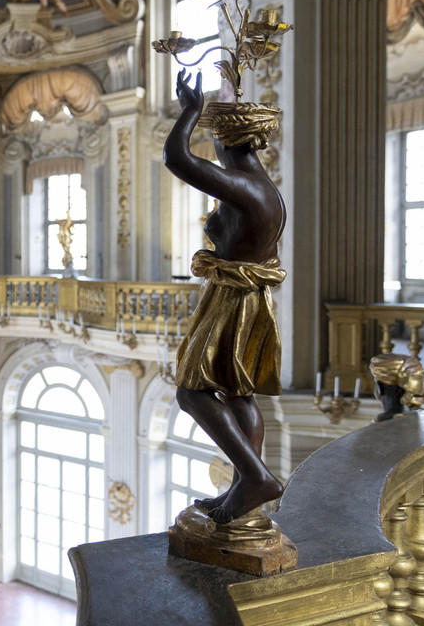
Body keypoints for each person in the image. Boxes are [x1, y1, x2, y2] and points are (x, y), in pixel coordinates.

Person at [164, 69, 287, 524]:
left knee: (192, 393)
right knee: (238, 395)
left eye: (216, 138)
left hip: (233, 302)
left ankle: (255, 478)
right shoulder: (260, 188)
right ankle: (243, 487)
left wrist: (191, 113)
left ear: (227, 141)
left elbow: (177, 159)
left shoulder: (247, 188)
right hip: (242, 297)